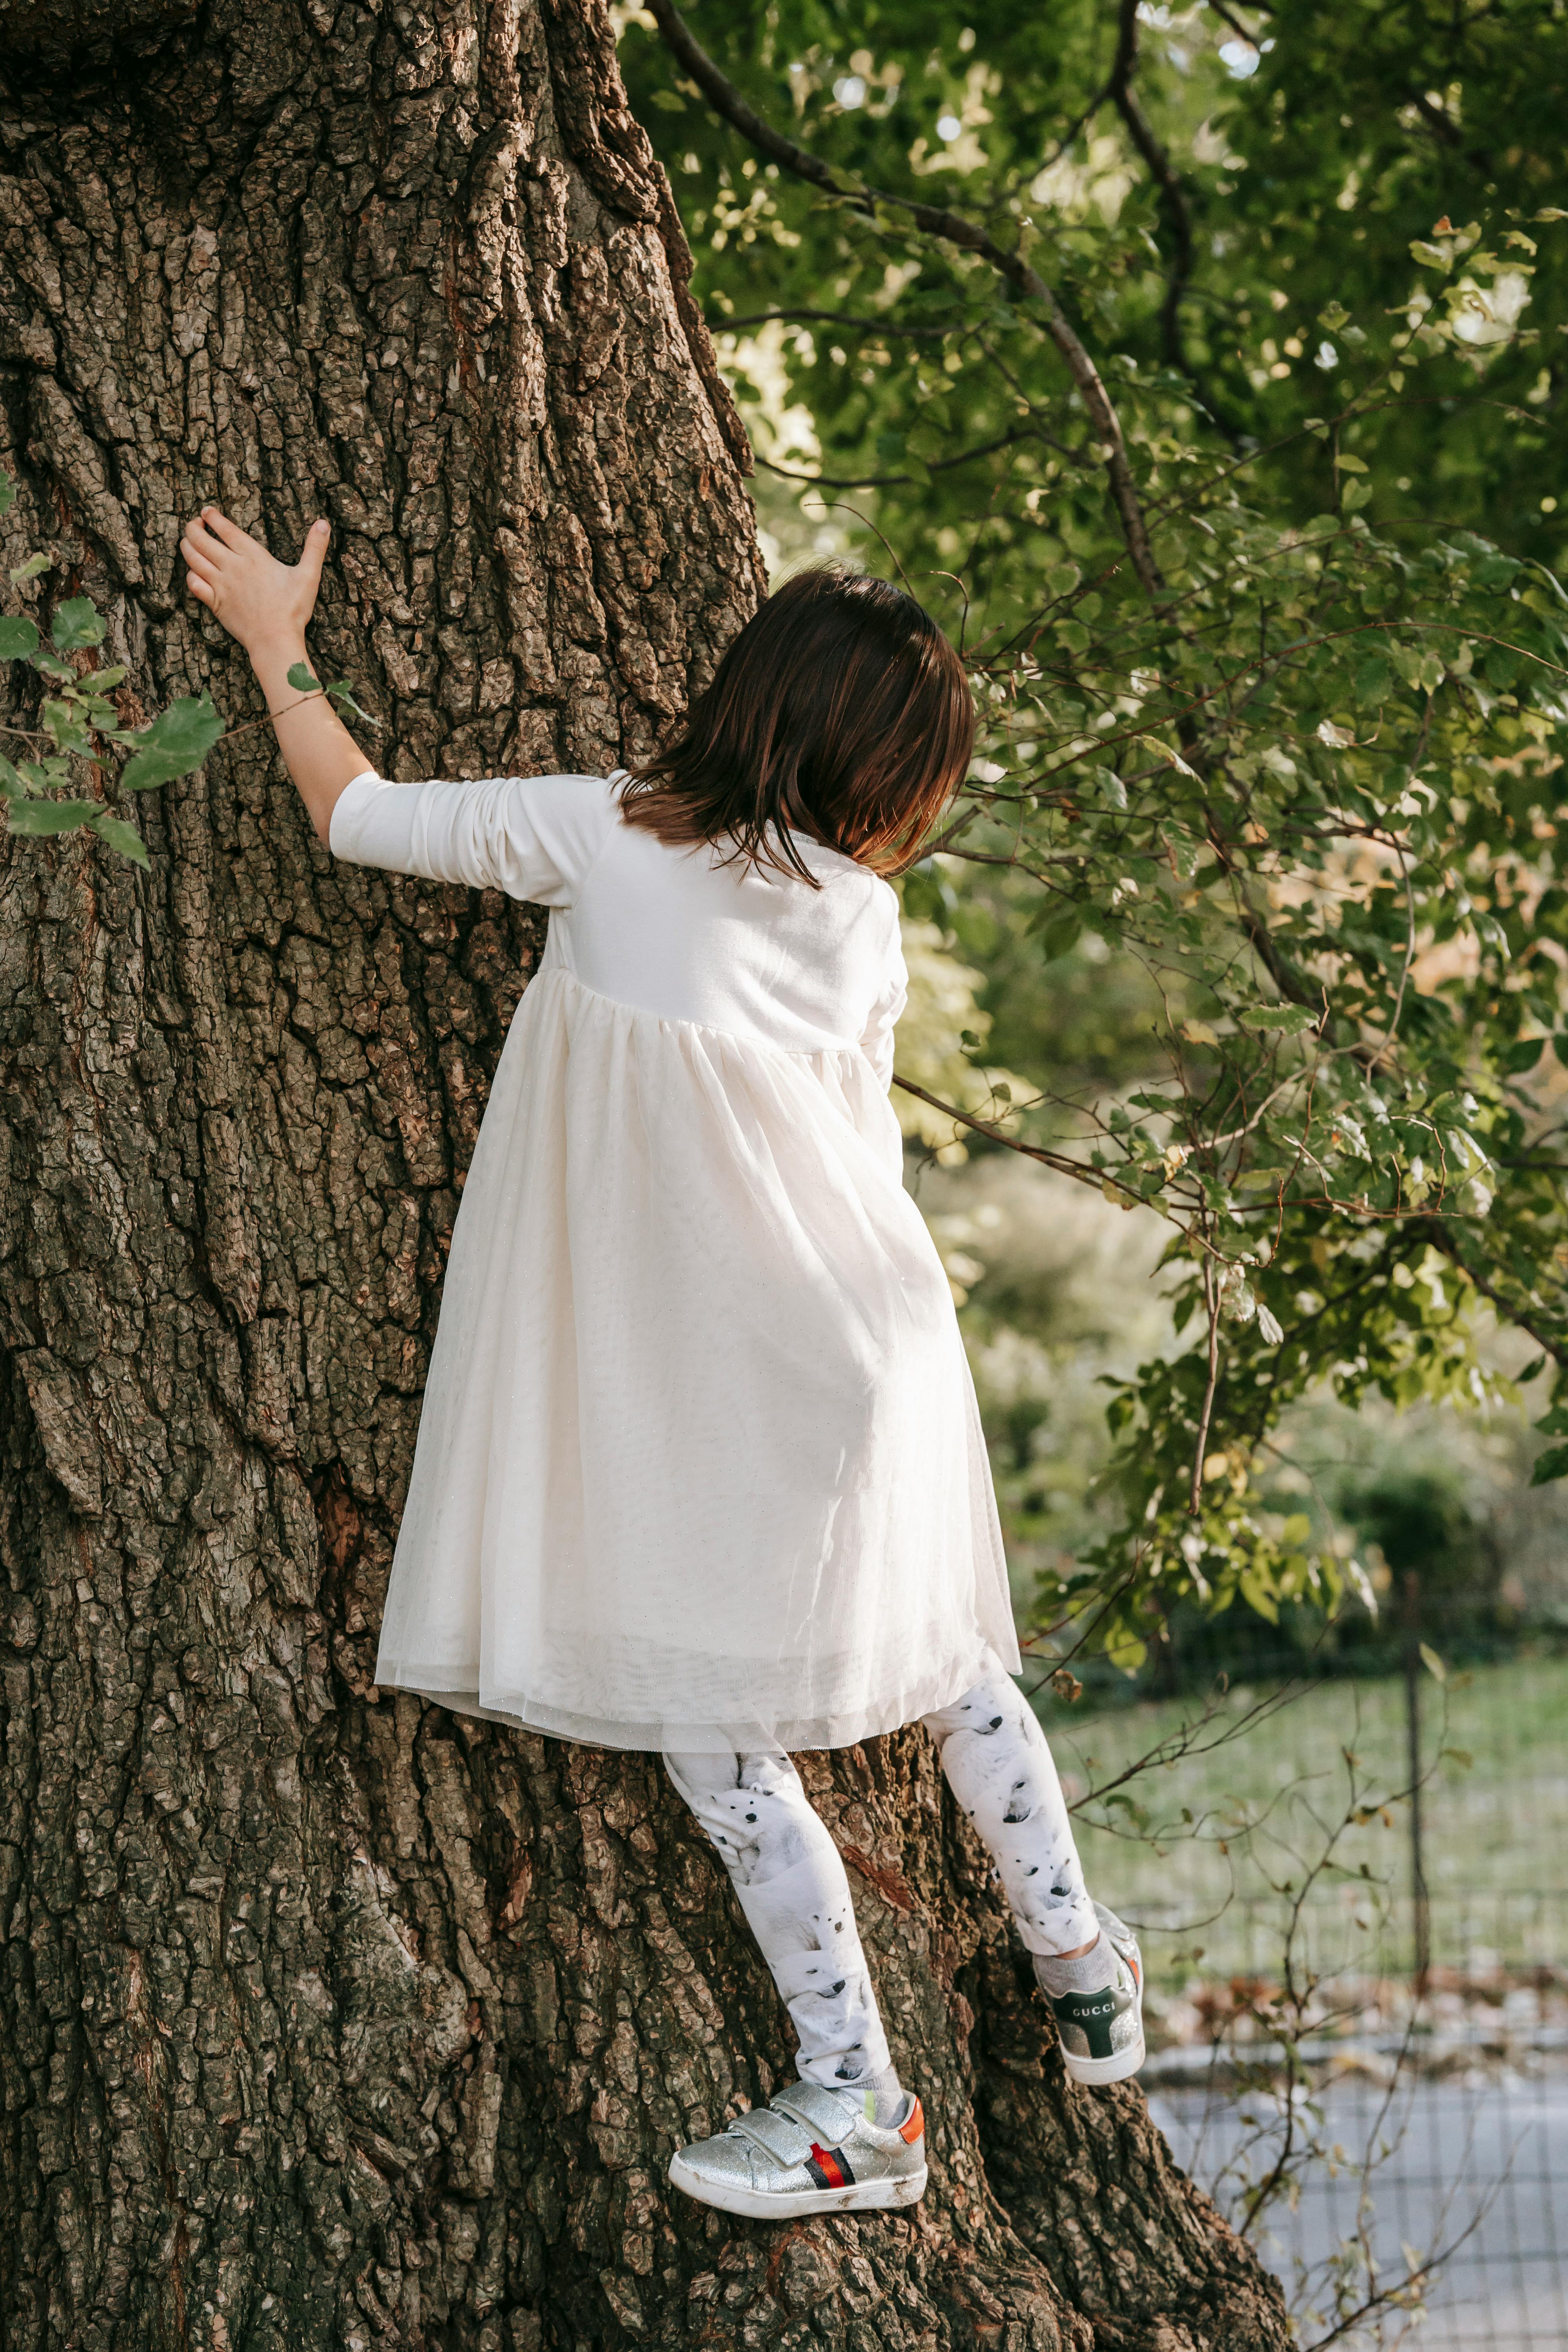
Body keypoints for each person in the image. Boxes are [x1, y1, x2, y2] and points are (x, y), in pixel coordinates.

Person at [180, 506, 1146, 2223]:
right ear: (890, 779)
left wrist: (279, 639)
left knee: (720, 1740)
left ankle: (860, 2103)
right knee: (943, 1656)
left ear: (746, 701)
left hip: (715, 1372)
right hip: (878, 1342)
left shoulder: (603, 836)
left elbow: (353, 811)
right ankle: (1075, 1957)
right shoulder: (861, 920)